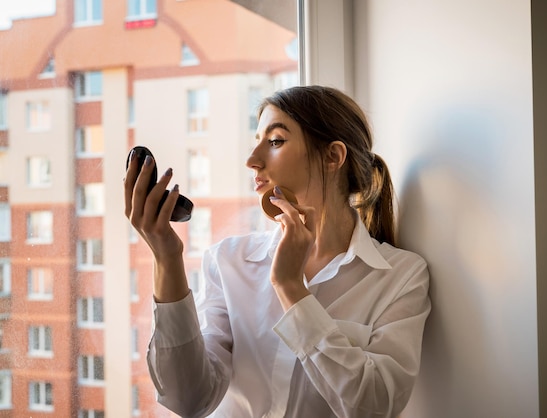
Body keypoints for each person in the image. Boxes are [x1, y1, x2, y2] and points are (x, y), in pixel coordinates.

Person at [124, 85, 431, 418]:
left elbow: (374, 406)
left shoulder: (401, 276)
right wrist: (166, 258)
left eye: (275, 141)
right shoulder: (229, 262)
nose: (252, 160)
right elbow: (188, 400)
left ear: (333, 156)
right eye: (257, 141)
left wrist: (292, 290)